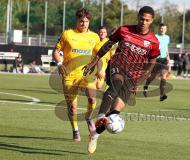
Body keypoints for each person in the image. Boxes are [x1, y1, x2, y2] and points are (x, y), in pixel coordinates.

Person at [83, 6, 159, 154]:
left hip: (133, 75)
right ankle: (99, 117)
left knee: (114, 112)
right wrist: (93, 62)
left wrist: (138, 82)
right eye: (142, 19)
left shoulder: (154, 42)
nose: (143, 22)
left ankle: (95, 134)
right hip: (116, 65)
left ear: (151, 21)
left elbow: (151, 64)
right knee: (116, 84)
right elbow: (107, 45)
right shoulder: (124, 30)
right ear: (138, 17)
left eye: (147, 20)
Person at [52, 8, 100, 142]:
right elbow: (56, 51)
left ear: (89, 22)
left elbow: (98, 54)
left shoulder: (94, 37)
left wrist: (97, 67)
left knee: (92, 98)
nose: (83, 24)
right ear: (76, 20)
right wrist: (60, 64)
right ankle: (75, 130)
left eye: (86, 21)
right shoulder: (67, 34)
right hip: (69, 75)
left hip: (87, 74)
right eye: (81, 21)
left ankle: (88, 117)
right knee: (72, 107)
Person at [143, 23, 170, 101]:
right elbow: (150, 47)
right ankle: (146, 85)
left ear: (166, 30)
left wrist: (168, 56)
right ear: (159, 29)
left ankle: (162, 94)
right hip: (156, 59)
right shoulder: (155, 37)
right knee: (152, 77)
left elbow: (166, 47)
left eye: (164, 29)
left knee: (163, 76)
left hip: (164, 60)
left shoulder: (167, 37)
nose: (162, 30)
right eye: (161, 28)